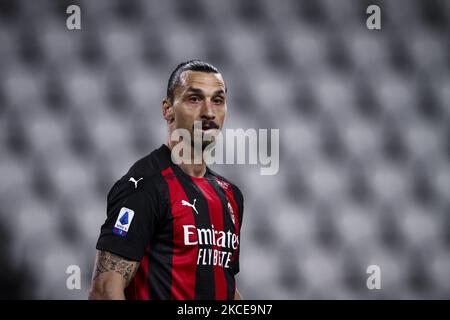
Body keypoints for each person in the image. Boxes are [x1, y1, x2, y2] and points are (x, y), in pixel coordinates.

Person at [89, 60, 244, 300]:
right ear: (167, 109)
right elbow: (105, 290)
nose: (209, 112)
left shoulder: (230, 195)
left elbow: (225, 284)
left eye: (218, 100)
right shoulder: (145, 185)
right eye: (194, 99)